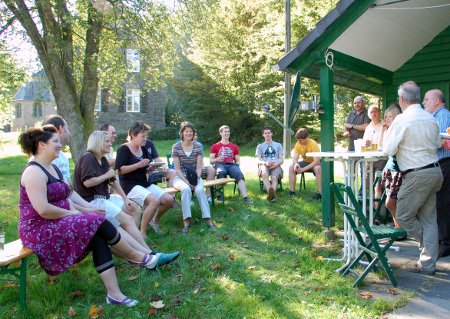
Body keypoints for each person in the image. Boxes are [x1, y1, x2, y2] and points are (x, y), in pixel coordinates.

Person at [18, 126, 179, 307]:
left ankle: (115, 294)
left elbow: (70, 193)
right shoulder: (33, 172)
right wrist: (74, 213)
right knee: (96, 222)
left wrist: (87, 209)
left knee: (98, 236)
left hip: (59, 220)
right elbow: (43, 210)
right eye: (55, 141)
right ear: (41, 145)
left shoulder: (52, 168)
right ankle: (140, 257)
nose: (60, 144)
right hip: (40, 228)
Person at [384, 81, 443, 275]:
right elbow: (436, 143)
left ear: (402, 99)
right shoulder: (430, 118)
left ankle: (427, 247)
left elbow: (388, 149)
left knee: (403, 216)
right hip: (435, 171)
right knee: (429, 220)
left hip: (417, 174)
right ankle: (428, 265)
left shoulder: (402, 120)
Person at [73, 131, 155, 255]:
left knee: (135, 209)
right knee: (126, 219)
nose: (110, 143)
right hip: (92, 201)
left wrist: (126, 198)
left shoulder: (103, 160)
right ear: (97, 142)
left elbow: (113, 181)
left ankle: (134, 245)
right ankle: (147, 253)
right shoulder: (88, 157)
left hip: (105, 198)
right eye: (107, 141)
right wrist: (106, 174)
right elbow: (88, 182)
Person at [115, 121, 174, 235]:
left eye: (146, 136)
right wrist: (138, 164)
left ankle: (154, 222)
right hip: (129, 186)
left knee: (169, 200)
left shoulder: (144, 148)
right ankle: (142, 232)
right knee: (154, 201)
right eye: (143, 136)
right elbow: (120, 169)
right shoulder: (123, 149)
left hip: (143, 183)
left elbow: (144, 168)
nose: (145, 139)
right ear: (133, 135)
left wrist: (150, 169)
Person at [172, 121, 217, 233]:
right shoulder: (176, 147)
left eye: (191, 132)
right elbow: (177, 169)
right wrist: (187, 182)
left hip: (195, 176)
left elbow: (198, 167)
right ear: (182, 133)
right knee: (186, 190)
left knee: (200, 190)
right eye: (186, 131)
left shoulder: (198, 146)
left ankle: (209, 220)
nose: (189, 134)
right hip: (180, 177)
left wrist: (195, 179)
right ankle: (186, 223)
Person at [423, 89, 450, 258]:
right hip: (439, 164)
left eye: (426, 99)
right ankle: (442, 241)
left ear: (436, 101)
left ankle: (446, 243)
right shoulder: (436, 116)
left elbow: (441, 141)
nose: (424, 102)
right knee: (438, 203)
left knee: (442, 203)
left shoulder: (442, 115)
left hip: (444, 164)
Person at [210, 125, 252, 204]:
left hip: (231, 164)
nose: (227, 133)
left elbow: (238, 160)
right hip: (220, 164)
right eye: (225, 131)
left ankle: (245, 197)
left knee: (239, 174)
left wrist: (237, 165)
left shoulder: (234, 146)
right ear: (220, 133)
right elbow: (211, 161)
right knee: (221, 172)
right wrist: (217, 159)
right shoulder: (215, 146)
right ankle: (219, 195)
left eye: (228, 131)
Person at [379, 103, 403, 228]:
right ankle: (398, 228)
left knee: (391, 202)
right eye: (386, 117)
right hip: (389, 168)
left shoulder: (398, 131)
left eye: (390, 117)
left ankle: (400, 228)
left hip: (398, 170)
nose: (387, 119)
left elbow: (390, 150)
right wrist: (383, 130)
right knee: (391, 201)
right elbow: (381, 147)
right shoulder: (388, 130)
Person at [288, 128, 322, 200]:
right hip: (305, 162)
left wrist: (303, 169)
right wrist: (296, 164)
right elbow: (295, 158)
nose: (299, 142)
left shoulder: (313, 144)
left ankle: (320, 193)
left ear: (306, 138)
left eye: (301, 140)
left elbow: (317, 161)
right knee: (291, 167)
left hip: (315, 163)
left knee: (318, 168)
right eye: (298, 140)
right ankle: (292, 191)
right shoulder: (298, 144)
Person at [255, 126, 284, 202]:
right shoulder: (260, 146)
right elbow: (257, 160)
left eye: (269, 133)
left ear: (272, 134)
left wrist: (276, 164)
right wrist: (265, 163)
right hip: (265, 165)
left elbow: (282, 160)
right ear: (263, 135)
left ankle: (271, 194)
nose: (267, 134)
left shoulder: (278, 145)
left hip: (276, 165)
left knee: (274, 177)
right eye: (265, 133)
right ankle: (272, 195)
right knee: (264, 174)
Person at [362, 106, 387, 189]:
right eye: (371, 112)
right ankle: (369, 201)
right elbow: (363, 145)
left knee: (378, 184)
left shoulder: (384, 125)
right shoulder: (368, 128)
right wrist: (366, 143)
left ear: (380, 113)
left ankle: (378, 201)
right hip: (369, 159)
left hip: (381, 158)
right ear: (369, 115)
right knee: (368, 184)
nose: (373, 114)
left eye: (376, 111)